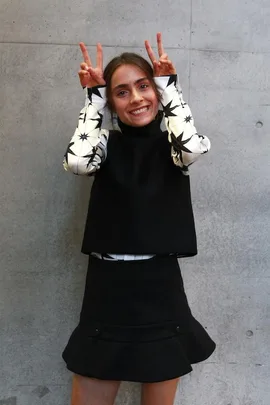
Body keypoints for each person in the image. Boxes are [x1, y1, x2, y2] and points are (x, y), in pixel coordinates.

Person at [62, 32, 216, 405]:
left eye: (143, 86)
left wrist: (169, 87)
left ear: (156, 90)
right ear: (112, 102)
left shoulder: (173, 145)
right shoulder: (103, 144)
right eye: (122, 91)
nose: (136, 98)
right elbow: (79, 162)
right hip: (108, 286)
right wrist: (94, 98)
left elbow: (193, 147)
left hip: (158, 285)